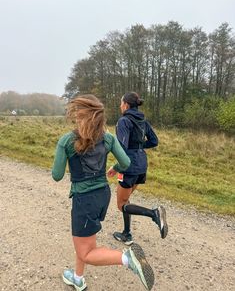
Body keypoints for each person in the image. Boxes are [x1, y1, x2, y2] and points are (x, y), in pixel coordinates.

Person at [52, 94, 155, 291]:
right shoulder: (108, 138)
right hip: (103, 195)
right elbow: (125, 163)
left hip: (84, 200)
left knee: (87, 252)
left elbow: (56, 175)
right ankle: (78, 277)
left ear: (80, 115)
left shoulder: (66, 140)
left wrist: (64, 156)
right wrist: (114, 167)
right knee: (85, 240)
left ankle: (128, 259)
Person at [108, 92, 168, 245]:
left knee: (121, 204)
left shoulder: (123, 121)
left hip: (128, 166)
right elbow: (154, 141)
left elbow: (121, 148)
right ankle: (126, 234)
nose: (120, 106)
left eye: (121, 103)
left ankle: (154, 213)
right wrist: (139, 146)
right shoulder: (143, 121)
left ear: (126, 105)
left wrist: (115, 167)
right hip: (141, 165)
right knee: (126, 201)